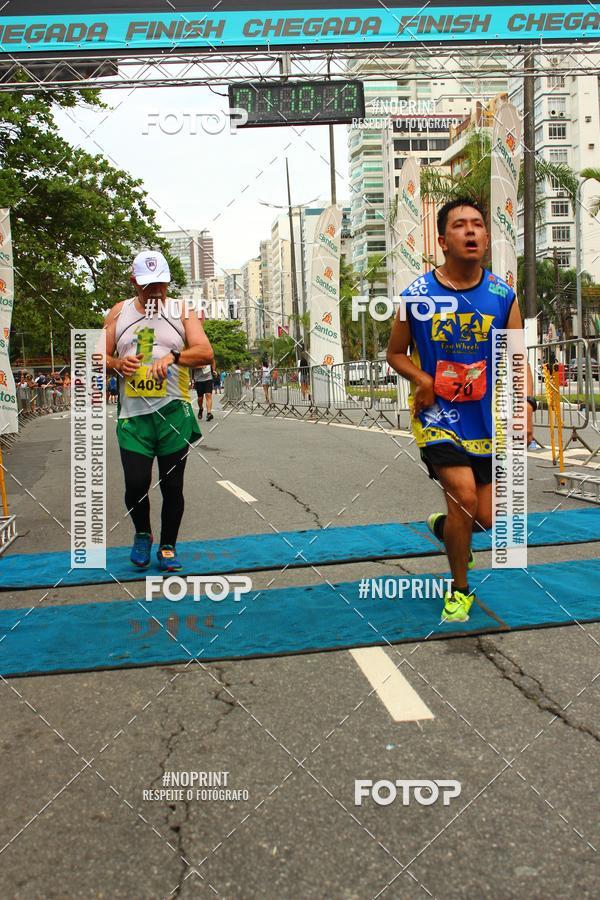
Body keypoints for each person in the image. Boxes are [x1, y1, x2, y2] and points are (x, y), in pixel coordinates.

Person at [387, 198, 534, 624]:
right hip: (438, 417)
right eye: (460, 226)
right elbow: (395, 353)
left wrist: (523, 404)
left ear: (487, 238)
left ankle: (448, 527)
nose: (470, 232)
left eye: (477, 225)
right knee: (465, 497)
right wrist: (424, 379)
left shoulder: (502, 296)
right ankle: (460, 589)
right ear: (442, 240)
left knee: (484, 519)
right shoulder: (415, 296)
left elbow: (515, 358)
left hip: (486, 419)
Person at [104, 249, 213, 572]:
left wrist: (175, 357)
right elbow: (97, 357)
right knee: (136, 485)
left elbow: (205, 351)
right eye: (148, 285)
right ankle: (142, 533)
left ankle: (168, 545)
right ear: (134, 281)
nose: (155, 291)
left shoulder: (182, 311)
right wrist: (116, 363)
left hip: (173, 413)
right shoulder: (118, 313)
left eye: (161, 284)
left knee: (172, 485)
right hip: (134, 417)